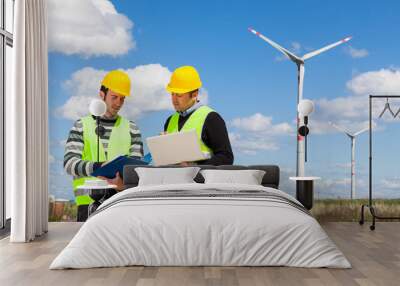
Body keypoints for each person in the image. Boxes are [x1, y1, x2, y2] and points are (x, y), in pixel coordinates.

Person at [64, 70, 144, 222]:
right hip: (87, 205)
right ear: (102, 94)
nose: (118, 103)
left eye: (122, 98)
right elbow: (69, 164)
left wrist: (123, 184)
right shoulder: (81, 125)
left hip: (120, 202)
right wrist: (98, 166)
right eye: (114, 97)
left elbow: (137, 170)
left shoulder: (132, 128)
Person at [164, 65, 234, 165]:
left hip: (200, 180)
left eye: (179, 95)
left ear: (194, 94)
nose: (174, 99)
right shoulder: (170, 121)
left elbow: (226, 158)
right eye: (172, 94)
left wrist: (196, 166)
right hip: (175, 179)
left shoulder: (212, 119)